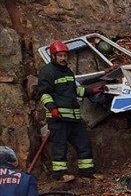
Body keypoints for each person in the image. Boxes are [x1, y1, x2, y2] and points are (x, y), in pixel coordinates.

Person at [37, 41, 96, 181]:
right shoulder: (47, 72)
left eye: (65, 55)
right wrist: (52, 108)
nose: (63, 58)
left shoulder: (68, 72)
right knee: (60, 146)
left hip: (74, 117)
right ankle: (60, 174)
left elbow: (76, 91)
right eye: (60, 56)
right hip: (58, 118)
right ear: (53, 56)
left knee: (84, 143)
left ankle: (86, 172)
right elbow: (43, 93)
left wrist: (91, 91)